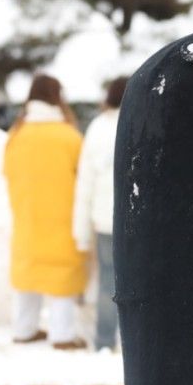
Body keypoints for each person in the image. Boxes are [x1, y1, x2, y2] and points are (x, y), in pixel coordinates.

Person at [4, 74, 88, 350]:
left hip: (26, 216)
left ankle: (24, 329)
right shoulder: (69, 136)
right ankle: (62, 335)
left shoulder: (16, 135)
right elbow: (82, 177)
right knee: (60, 275)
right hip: (61, 219)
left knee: (28, 272)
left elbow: (6, 173)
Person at [73, 76, 127, 351]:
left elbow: (85, 182)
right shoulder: (142, 120)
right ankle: (135, 345)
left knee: (108, 282)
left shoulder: (97, 128)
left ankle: (104, 341)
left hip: (104, 218)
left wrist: (80, 233)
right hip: (136, 219)